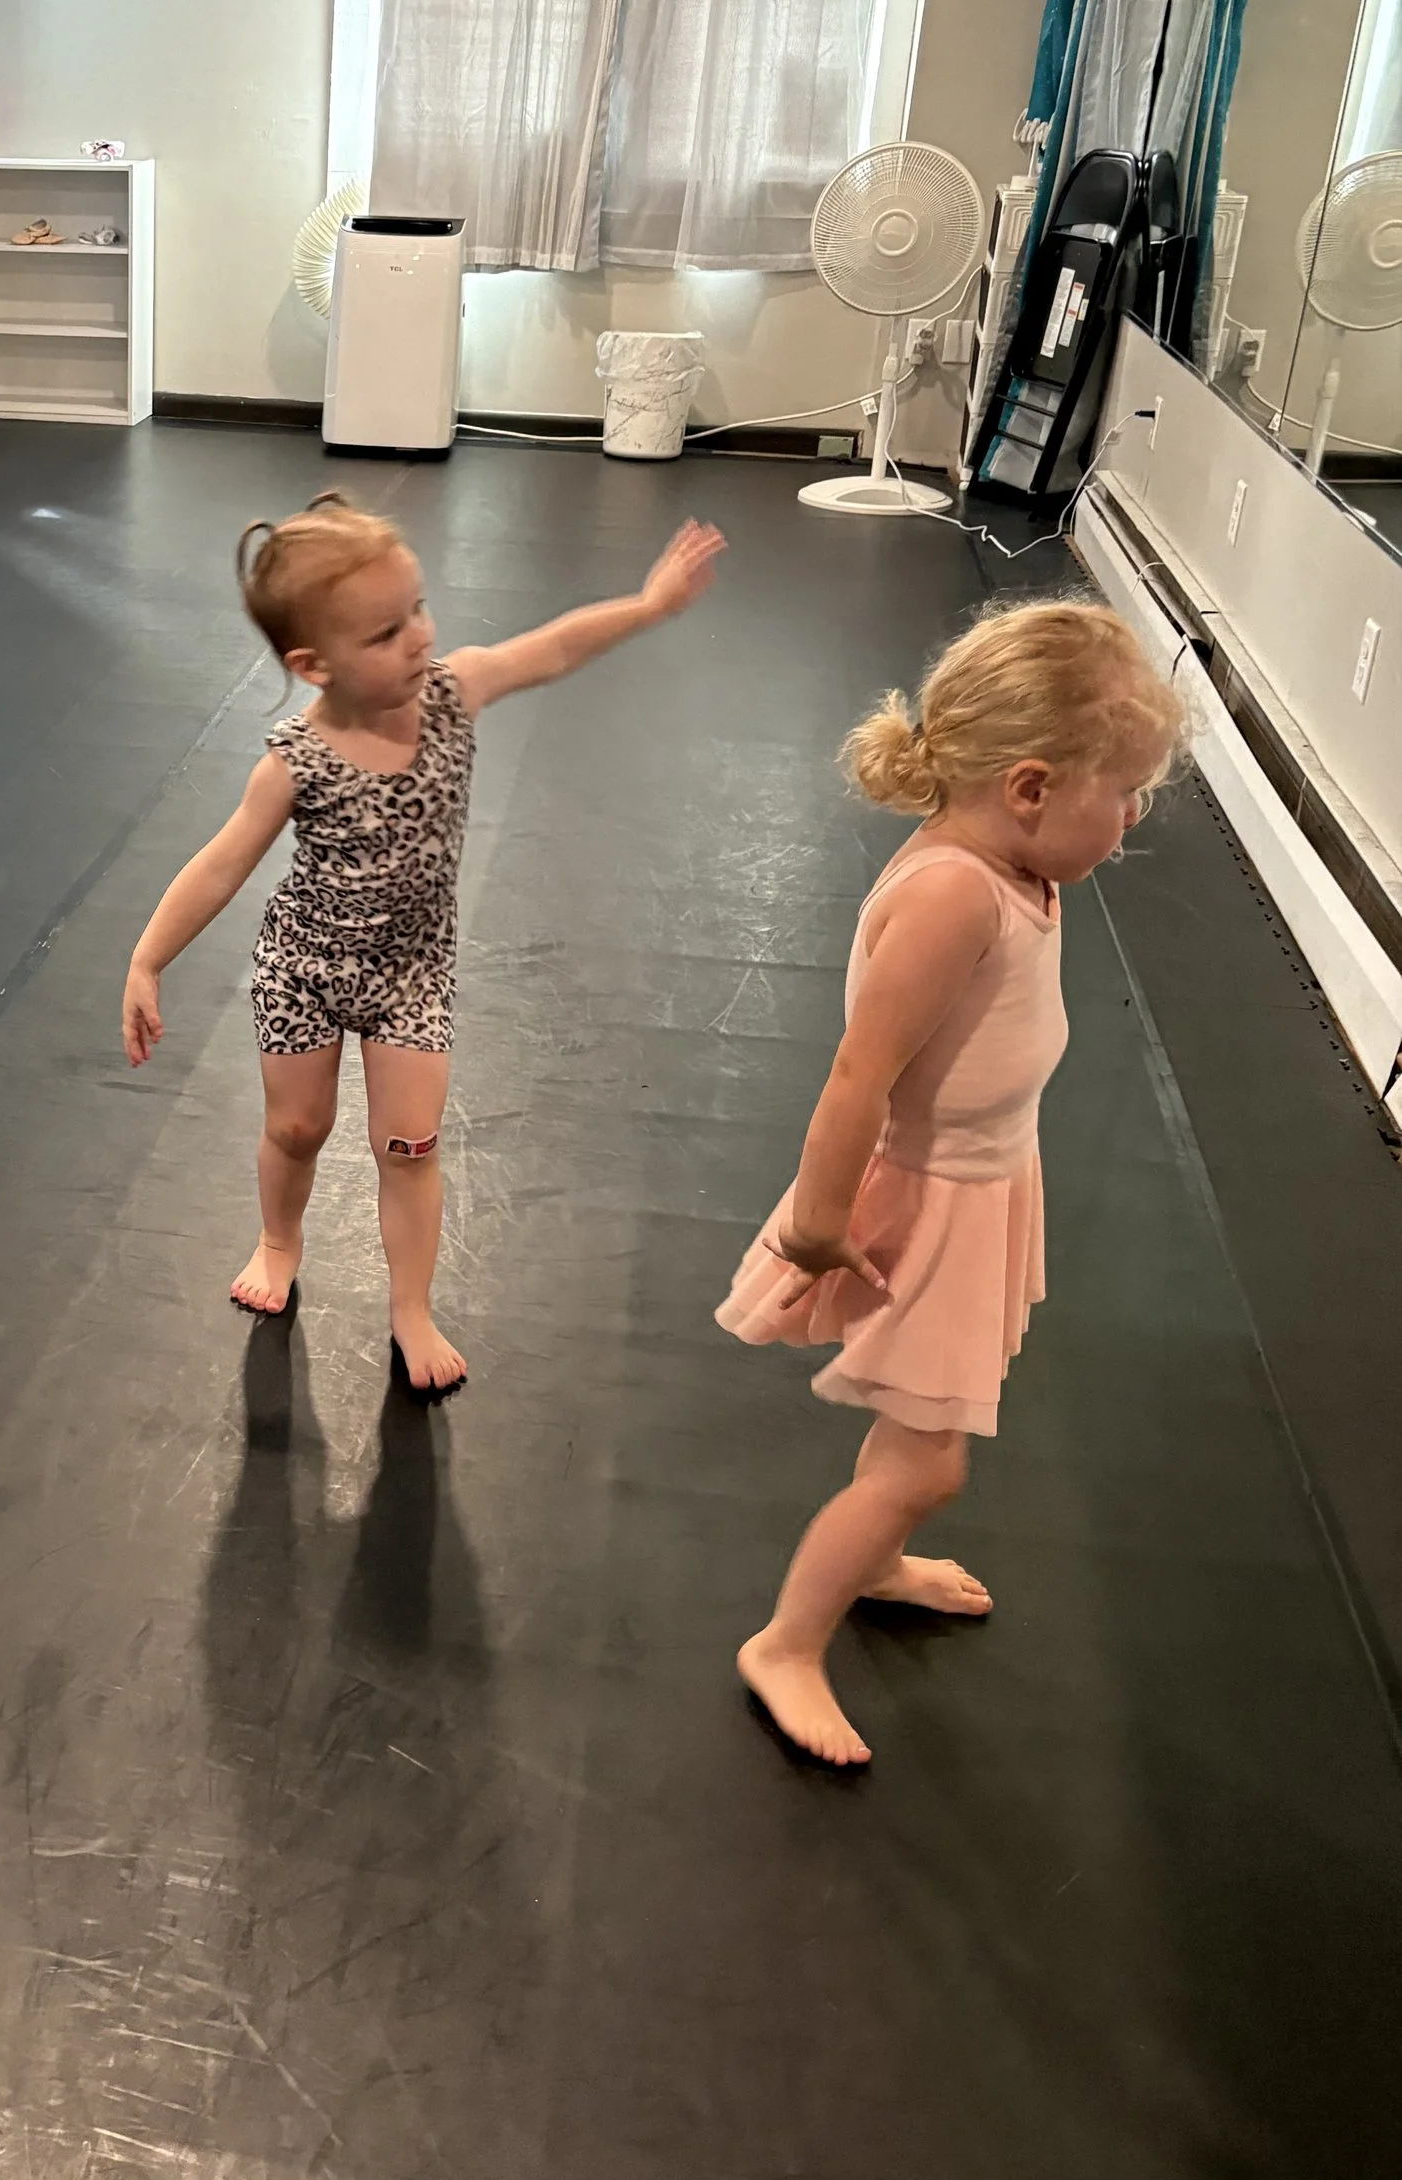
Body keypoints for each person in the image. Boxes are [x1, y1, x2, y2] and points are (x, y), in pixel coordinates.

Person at [716, 598, 1185, 1767]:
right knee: (929, 1461)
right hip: (916, 1205)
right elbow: (856, 1077)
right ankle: (784, 1643)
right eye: (1119, 794)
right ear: (1029, 787)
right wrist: (819, 1223)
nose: (1128, 821)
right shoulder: (949, 896)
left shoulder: (1020, 868)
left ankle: (870, 1567)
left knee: (914, 1433)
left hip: (984, 1185)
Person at [123, 492, 723, 1399]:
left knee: (410, 1145)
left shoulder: (454, 691)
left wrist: (646, 605)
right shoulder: (292, 761)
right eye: (383, 632)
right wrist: (146, 959)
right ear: (312, 664)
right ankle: (279, 1238)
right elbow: (220, 866)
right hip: (306, 968)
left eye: (418, 610)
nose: (416, 638)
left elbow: (552, 647)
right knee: (297, 1127)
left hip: (411, 972)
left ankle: (410, 1306)